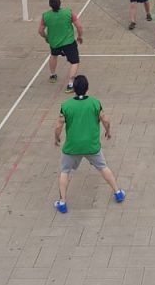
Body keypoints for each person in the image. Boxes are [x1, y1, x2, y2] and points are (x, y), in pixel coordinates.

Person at [53, 75, 125, 213]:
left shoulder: (66, 105)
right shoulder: (95, 103)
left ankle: (62, 203)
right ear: (87, 88)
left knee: (65, 172)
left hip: (72, 147)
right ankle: (118, 192)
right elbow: (105, 120)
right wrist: (108, 131)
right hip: (92, 146)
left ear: (74, 88)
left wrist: (56, 138)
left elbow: (59, 125)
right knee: (103, 167)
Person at [39, 0, 84, 90]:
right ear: (60, 3)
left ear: (50, 5)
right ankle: (71, 84)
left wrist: (46, 37)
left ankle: (52, 75)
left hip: (54, 43)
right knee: (75, 62)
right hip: (69, 43)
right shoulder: (68, 12)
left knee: (53, 56)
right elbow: (79, 26)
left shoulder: (45, 16)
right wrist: (79, 36)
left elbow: (40, 31)